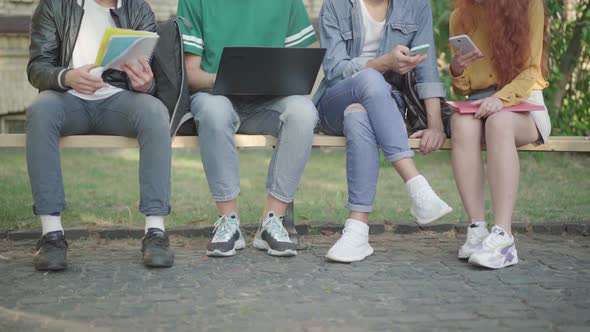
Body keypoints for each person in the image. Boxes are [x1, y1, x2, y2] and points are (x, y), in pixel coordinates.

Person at [26, 0, 174, 271]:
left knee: (155, 112)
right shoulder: (54, 5)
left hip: (118, 101)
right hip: (66, 99)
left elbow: (150, 76)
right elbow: (37, 68)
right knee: (40, 109)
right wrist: (67, 77)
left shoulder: (138, 9)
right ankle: (52, 235)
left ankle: (155, 232)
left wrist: (146, 83)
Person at [177, 0, 319, 257]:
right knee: (213, 112)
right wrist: (229, 79)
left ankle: (272, 222)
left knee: (303, 111)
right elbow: (191, 74)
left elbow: (299, 66)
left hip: (269, 102)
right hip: (215, 96)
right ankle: (228, 223)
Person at [314, 0, 452, 263]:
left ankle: (357, 230)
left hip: (386, 104)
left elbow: (426, 66)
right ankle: (416, 185)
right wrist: (382, 63)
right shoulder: (336, 4)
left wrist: (435, 126)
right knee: (369, 78)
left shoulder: (415, 5)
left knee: (359, 116)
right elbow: (333, 70)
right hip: (335, 99)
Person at [449, 0, 550, 269]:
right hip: (481, 103)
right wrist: (457, 68)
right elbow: (464, 88)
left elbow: (532, 71)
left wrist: (501, 99)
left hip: (525, 102)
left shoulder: (530, 5)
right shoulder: (460, 15)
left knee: (499, 122)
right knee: (460, 122)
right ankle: (477, 229)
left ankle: (504, 238)